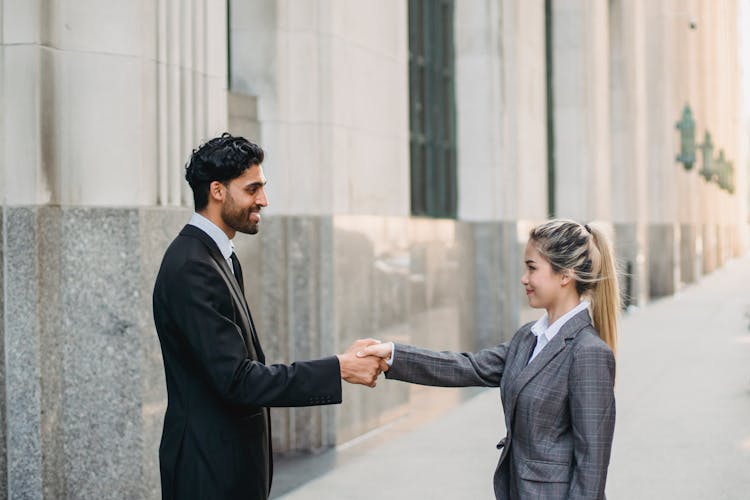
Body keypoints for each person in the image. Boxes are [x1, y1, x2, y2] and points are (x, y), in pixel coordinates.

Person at [152, 133, 385, 500]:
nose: (263, 199)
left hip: (226, 469)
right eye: (252, 189)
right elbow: (238, 380)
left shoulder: (218, 256)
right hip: (207, 474)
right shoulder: (192, 267)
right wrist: (337, 368)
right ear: (217, 191)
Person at [360, 219, 619, 499]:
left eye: (532, 268)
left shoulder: (588, 352)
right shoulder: (528, 338)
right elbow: (469, 367)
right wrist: (393, 355)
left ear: (565, 275)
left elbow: (591, 465)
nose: (524, 278)